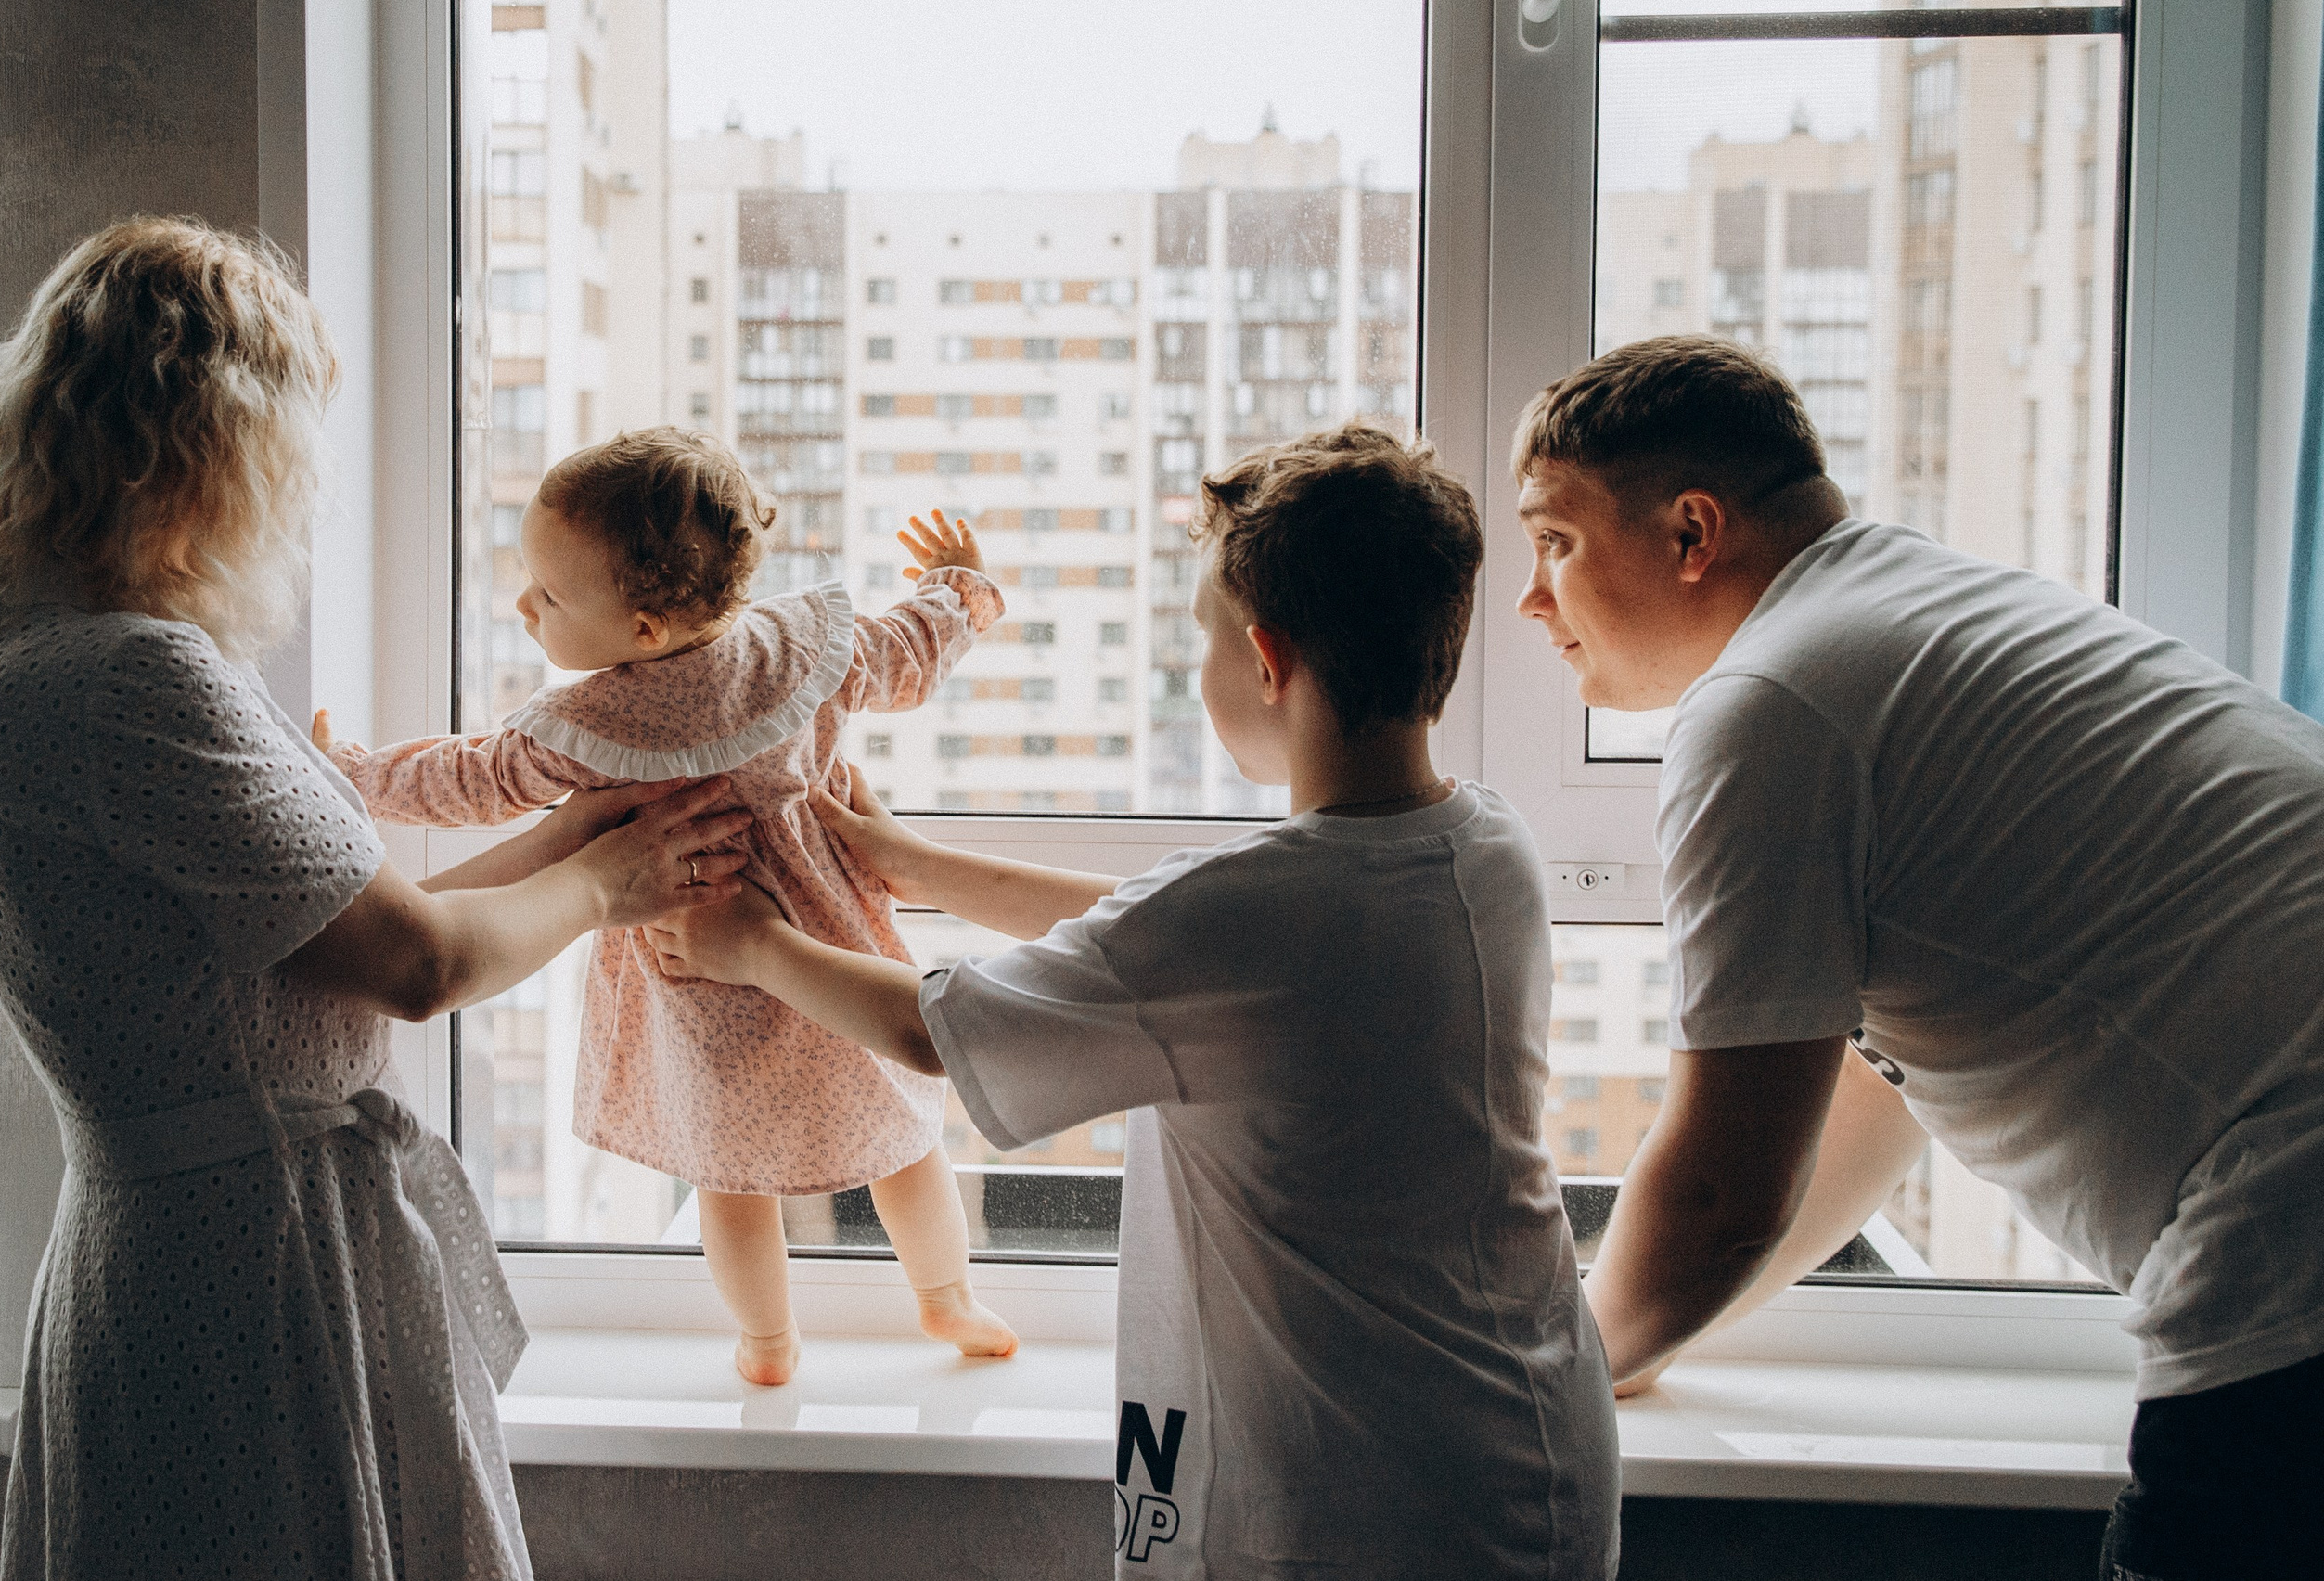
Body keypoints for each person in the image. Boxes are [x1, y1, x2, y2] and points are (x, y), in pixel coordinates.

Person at [648, 423, 1621, 1580]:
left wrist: (752, 943)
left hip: (1354, 1500)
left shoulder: (1241, 924)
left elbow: (935, 1027)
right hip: (1531, 1441)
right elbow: (1154, 933)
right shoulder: (1481, 842)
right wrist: (913, 865)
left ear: (1265, 660)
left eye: (1200, 642)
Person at [0, 218, 756, 1581]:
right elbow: (419, 963)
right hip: (248, 1275)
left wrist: (573, 836)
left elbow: (343, 923)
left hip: (167, 1253)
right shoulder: (140, 677)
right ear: (210, 441)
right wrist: (606, 877)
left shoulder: (23, 655)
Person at [1511, 334, 2324, 1579]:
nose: (1529, 597)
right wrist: (1619, 1344)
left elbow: (1724, 1189)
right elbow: (1863, 1097)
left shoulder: (1772, 702)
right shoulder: (1913, 611)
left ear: (1690, 532)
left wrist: (1538, 1384)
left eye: (1553, 540)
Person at [318, 431, 1015, 1384]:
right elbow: (909, 649)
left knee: (730, 1177)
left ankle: (767, 1345)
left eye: (548, 596)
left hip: (704, 970)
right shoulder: (803, 646)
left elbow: (470, 780)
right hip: (835, 949)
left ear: (643, 628)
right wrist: (958, 589)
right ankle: (947, 1299)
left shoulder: (591, 725)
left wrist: (351, 777)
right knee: (904, 1141)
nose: (523, 605)